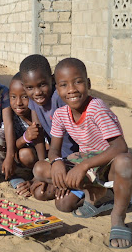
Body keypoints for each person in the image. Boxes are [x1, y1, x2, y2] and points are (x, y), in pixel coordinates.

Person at [34, 57, 132, 249]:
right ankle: (95, 194)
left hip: (107, 165)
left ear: (88, 84)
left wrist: (83, 166)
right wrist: (56, 161)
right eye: (64, 85)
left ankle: (118, 216)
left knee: (126, 161)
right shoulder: (61, 114)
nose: (71, 89)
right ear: (57, 89)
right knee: (42, 171)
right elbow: (54, 148)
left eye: (78, 82)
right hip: (88, 165)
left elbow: (120, 147)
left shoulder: (96, 108)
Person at [18, 54, 85, 200]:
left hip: (79, 158)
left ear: (52, 79)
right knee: (39, 193)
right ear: (24, 87)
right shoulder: (33, 101)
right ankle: (66, 183)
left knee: (64, 203)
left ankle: (85, 187)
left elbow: (82, 136)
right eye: (30, 87)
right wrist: (41, 173)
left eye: (42, 84)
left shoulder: (59, 98)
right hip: (59, 159)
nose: (37, 92)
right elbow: (38, 134)